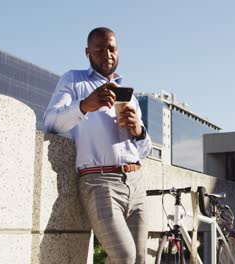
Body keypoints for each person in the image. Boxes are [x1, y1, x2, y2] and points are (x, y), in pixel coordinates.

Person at [44, 27, 152, 264]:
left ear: (118, 51)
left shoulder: (130, 96)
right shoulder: (73, 80)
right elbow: (50, 122)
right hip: (99, 182)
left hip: (135, 181)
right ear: (87, 52)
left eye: (112, 48)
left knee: (141, 260)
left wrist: (138, 130)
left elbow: (144, 150)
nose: (107, 54)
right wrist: (84, 105)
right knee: (124, 257)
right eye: (99, 49)